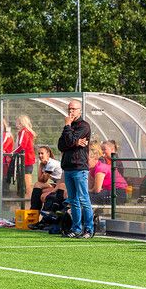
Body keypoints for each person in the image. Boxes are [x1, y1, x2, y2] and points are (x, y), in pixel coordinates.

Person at [58, 100, 94, 239]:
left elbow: (69, 139)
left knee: (84, 199)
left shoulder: (83, 126)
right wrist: (74, 142)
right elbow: (61, 144)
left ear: (80, 110)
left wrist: (68, 129)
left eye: (73, 109)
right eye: (69, 109)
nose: (71, 112)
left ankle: (89, 229)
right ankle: (76, 228)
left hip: (79, 167)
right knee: (73, 200)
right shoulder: (69, 126)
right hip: (68, 167)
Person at [30, 146, 64, 210]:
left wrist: (40, 166)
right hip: (56, 184)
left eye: (42, 153)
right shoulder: (45, 163)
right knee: (37, 185)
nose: (40, 155)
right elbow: (40, 180)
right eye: (39, 153)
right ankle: (34, 212)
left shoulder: (51, 164)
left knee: (42, 194)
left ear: (48, 154)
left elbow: (44, 180)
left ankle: (35, 211)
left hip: (62, 185)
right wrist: (40, 166)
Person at [13, 115, 37, 199]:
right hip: (27, 159)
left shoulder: (24, 131)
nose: (16, 124)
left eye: (17, 122)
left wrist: (13, 153)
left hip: (26, 160)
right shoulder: (26, 131)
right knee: (26, 180)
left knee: (26, 181)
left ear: (21, 122)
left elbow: (21, 145)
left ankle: (28, 198)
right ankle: (26, 197)